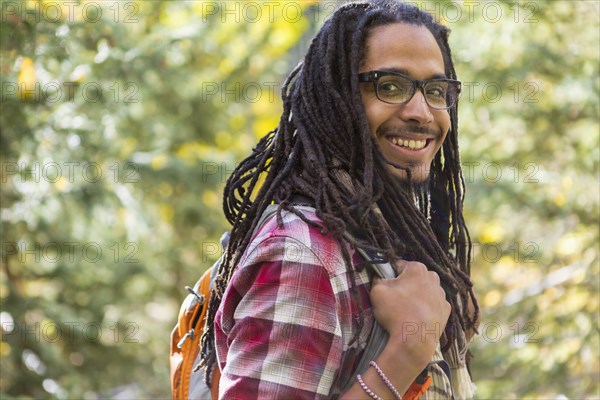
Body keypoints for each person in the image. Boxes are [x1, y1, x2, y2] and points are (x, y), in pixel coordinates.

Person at [199, 0, 480, 398]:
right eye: (391, 86)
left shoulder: (382, 242)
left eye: (436, 90)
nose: (421, 111)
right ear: (336, 97)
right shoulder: (303, 254)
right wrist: (405, 354)